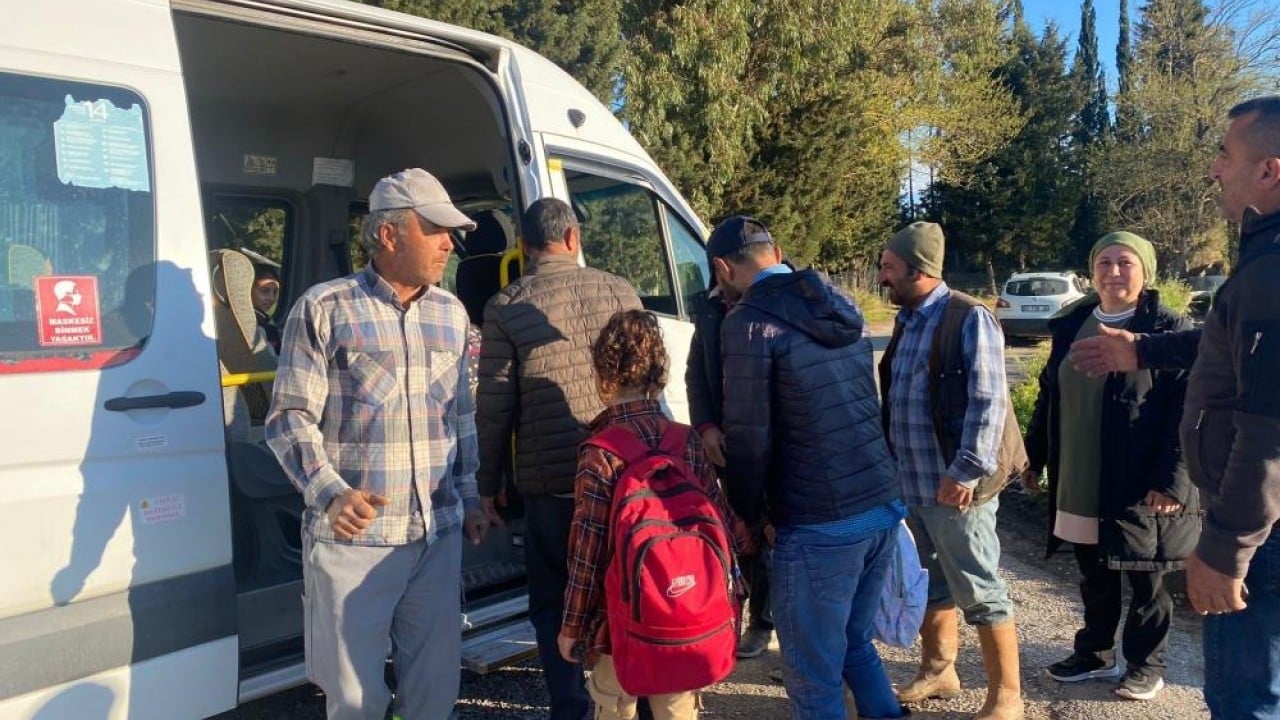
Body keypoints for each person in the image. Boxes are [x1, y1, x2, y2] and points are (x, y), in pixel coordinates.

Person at [1069, 96, 1280, 719]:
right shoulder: (1263, 263)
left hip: (1262, 530)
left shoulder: (1272, 272)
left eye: (1225, 154)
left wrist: (1226, 550)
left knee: (1246, 701)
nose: (1214, 170)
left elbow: (1268, 430)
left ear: (1270, 171)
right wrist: (1144, 350)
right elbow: (1225, 332)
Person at [264, 167, 490, 720]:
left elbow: (459, 417)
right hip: (354, 544)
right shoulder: (324, 309)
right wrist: (330, 493)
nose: (449, 243)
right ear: (388, 234)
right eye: (435, 228)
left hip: (437, 536)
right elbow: (288, 418)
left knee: (434, 695)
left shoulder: (451, 314)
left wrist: (471, 496)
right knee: (356, 702)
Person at [715, 215, 907, 720]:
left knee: (813, 678)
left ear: (722, 268)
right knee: (853, 645)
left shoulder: (747, 322)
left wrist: (748, 516)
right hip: (880, 504)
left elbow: (749, 439)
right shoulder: (838, 304)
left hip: (819, 520)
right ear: (777, 255)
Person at [476, 197, 642, 720]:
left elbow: (495, 405)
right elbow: (645, 383)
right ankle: (630, 697)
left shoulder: (505, 305)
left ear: (525, 248)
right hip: (619, 477)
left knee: (553, 599)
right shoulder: (620, 290)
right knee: (624, 589)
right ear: (573, 238)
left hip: (551, 485)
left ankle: (571, 706)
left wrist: (489, 482)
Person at [1022, 232, 1198, 701]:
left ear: (1146, 272)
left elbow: (1187, 411)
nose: (1114, 272)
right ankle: (1095, 653)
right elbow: (1049, 393)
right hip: (1079, 472)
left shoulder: (1168, 328)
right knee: (1093, 571)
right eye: (1104, 262)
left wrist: (1171, 480)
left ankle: (1146, 664)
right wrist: (1033, 454)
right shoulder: (1074, 321)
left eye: (1126, 263)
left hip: (1140, 478)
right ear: (1091, 270)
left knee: (1146, 577)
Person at [557, 309, 751, 720]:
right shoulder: (685, 441)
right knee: (678, 707)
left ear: (602, 375)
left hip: (619, 623)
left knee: (614, 702)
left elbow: (586, 553)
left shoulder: (601, 452)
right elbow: (718, 515)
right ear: (659, 371)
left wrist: (571, 627)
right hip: (684, 615)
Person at [876, 221, 1023, 720]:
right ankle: (940, 671)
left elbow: (989, 401)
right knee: (929, 581)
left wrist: (964, 471)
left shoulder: (968, 317)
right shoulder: (909, 318)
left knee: (980, 588)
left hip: (956, 486)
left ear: (918, 271)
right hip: (912, 483)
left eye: (888, 268)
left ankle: (1007, 698)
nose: (882, 278)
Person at [685, 278, 776, 660]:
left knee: (774, 530)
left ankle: (766, 621)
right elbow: (694, 376)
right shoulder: (710, 308)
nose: (719, 291)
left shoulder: (776, 303)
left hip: (772, 441)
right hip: (725, 444)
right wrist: (706, 428)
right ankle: (739, 615)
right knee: (740, 531)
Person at [250, 262, 282, 353]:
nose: (271, 298)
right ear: (249, 289)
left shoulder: (264, 319)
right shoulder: (254, 323)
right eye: (264, 291)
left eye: (275, 292)